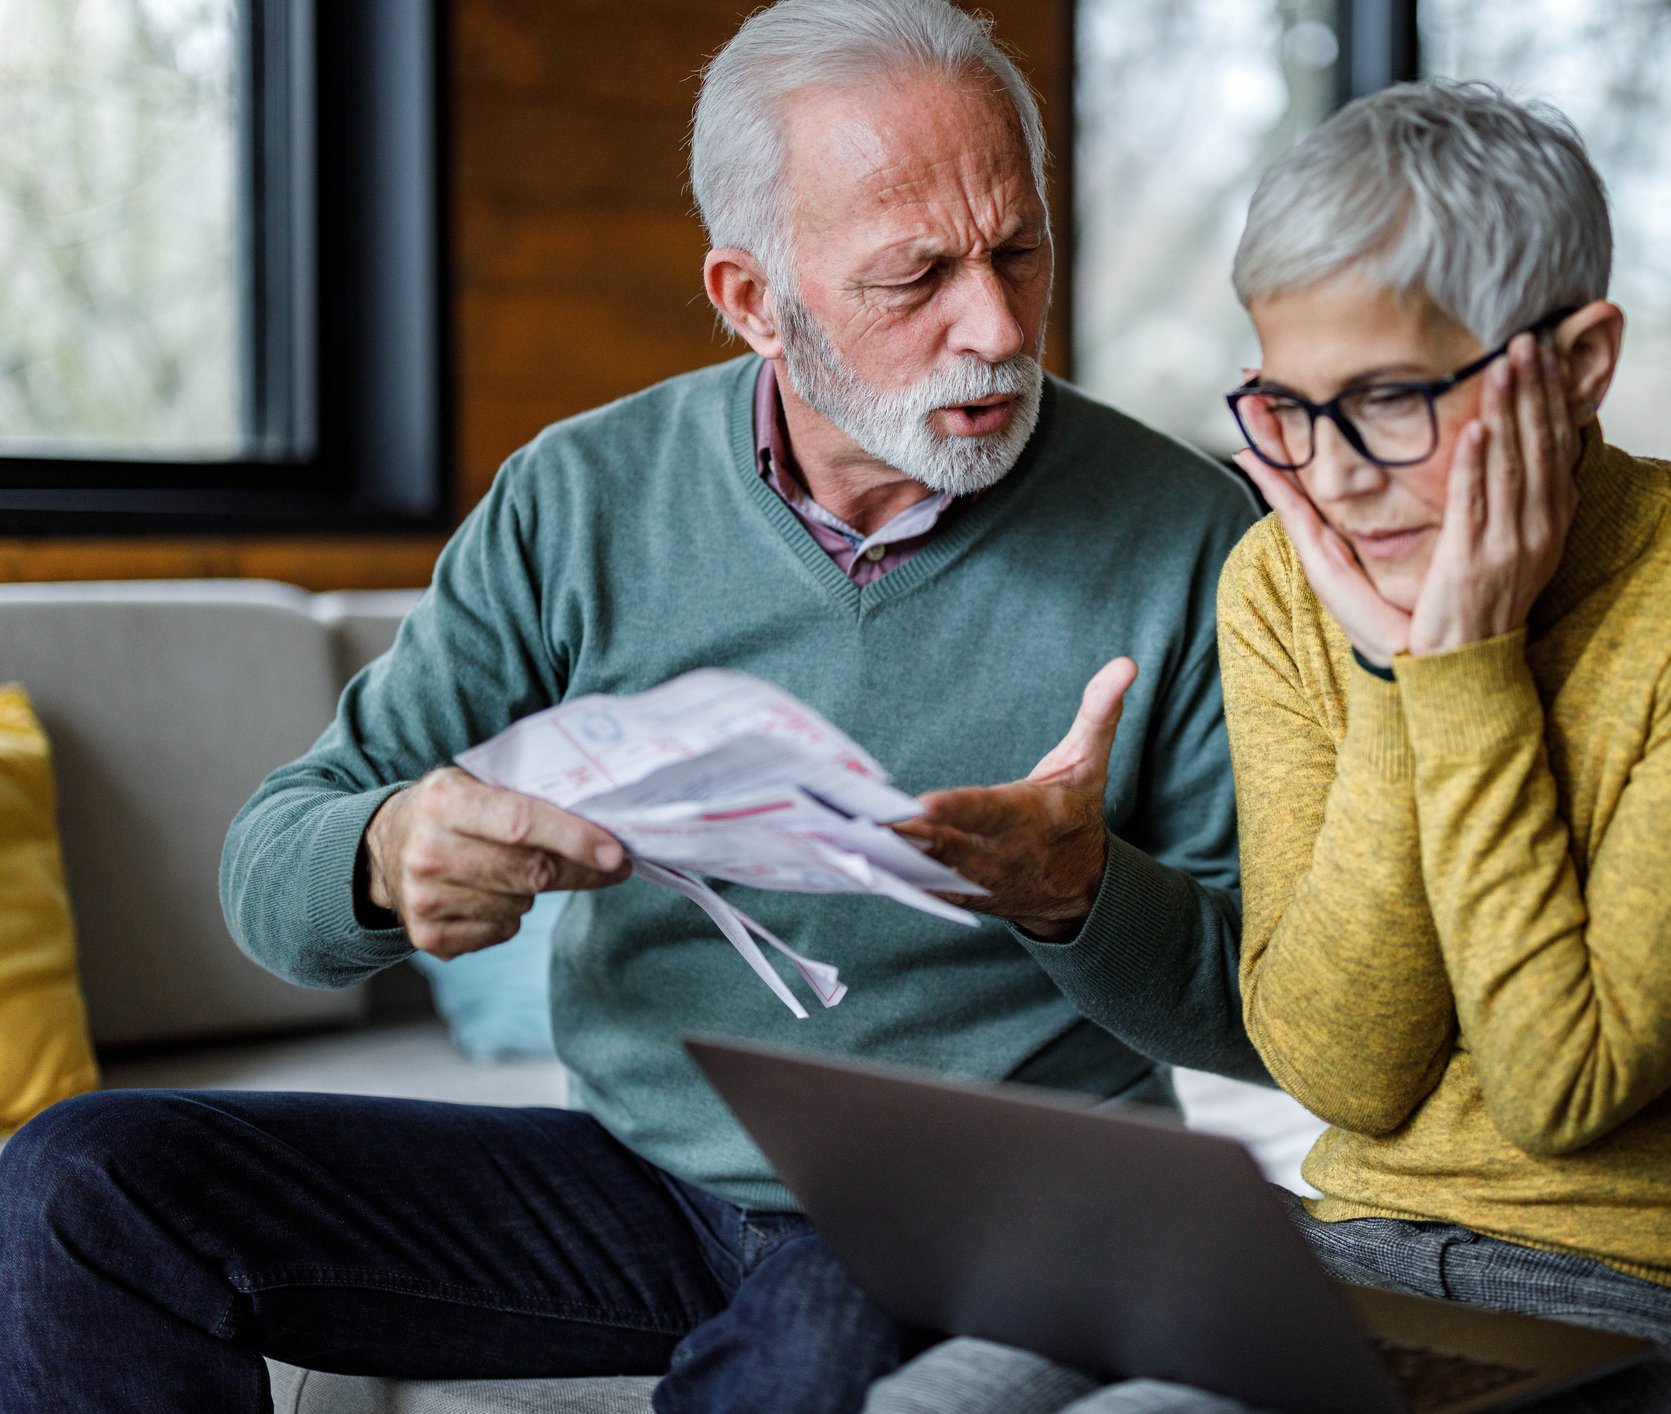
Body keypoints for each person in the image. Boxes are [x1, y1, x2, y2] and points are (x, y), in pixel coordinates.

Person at [0, 3, 1265, 1411]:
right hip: (639, 1178)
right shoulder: (580, 496)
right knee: (86, 1181)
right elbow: (270, 874)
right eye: (915, 277)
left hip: (977, 1191)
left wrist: (1081, 894)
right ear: (750, 299)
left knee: (793, 1370)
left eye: (1018, 249)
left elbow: (1259, 1008)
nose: (998, 323)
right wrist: (384, 849)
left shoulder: (1191, 538)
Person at [867, 80, 1671, 1414]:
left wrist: (1453, 668)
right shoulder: (1282, 582)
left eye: (1389, 400)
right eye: (1287, 410)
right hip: (1355, 1253)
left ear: (1581, 364)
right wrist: (1380, 661)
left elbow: (1560, 1082)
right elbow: (1346, 1069)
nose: (1334, 474)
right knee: (936, 1398)